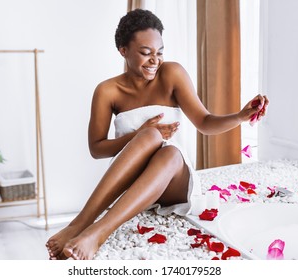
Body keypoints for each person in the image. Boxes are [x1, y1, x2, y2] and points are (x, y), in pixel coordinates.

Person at [46, 9, 269, 260]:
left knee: (169, 151)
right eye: (145, 53)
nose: (155, 60)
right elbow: (97, 148)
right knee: (149, 136)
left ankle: (98, 231)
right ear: (123, 50)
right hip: (134, 183)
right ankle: (79, 224)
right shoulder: (107, 91)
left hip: (173, 180)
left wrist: (240, 116)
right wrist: (138, 134)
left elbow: (205, 122)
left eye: (159, 52)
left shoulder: (171, 74)